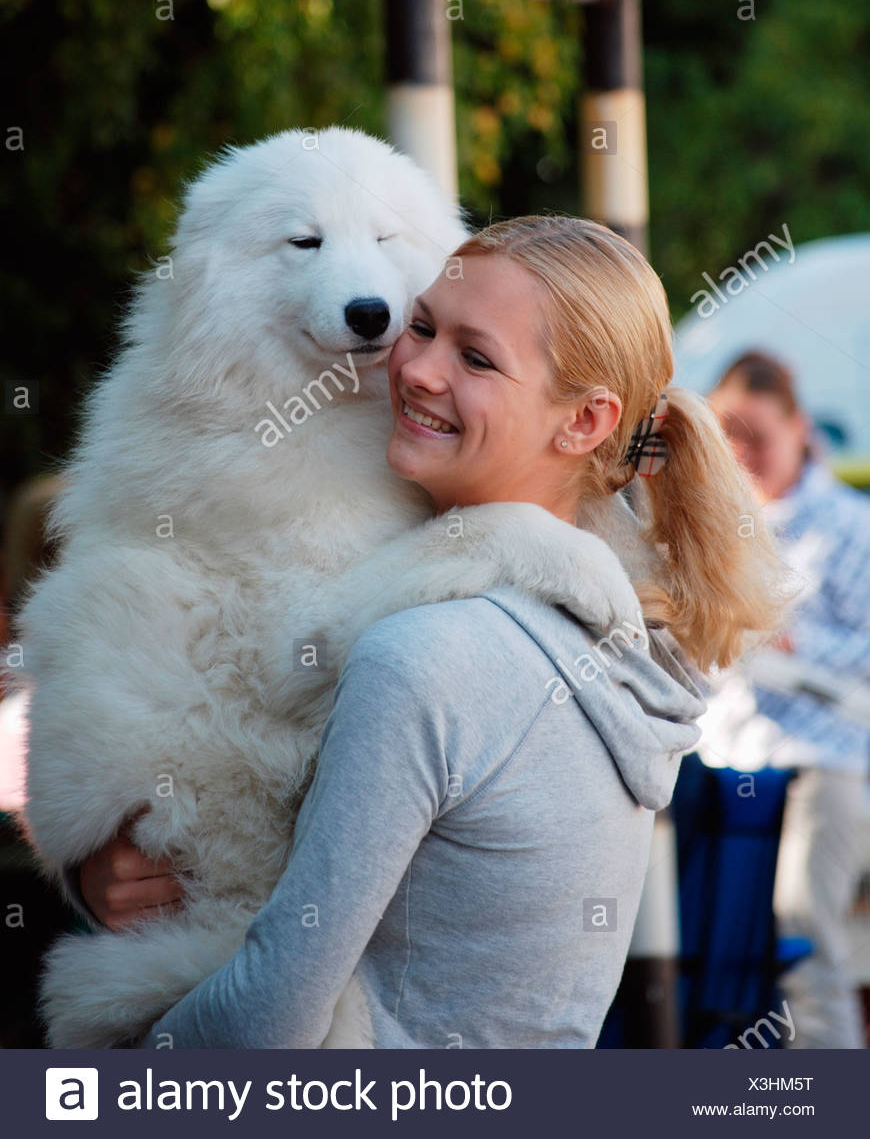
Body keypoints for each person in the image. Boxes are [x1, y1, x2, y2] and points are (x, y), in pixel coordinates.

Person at [74, 217, 784, 1049]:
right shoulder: (601, 629)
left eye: (476, 358)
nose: (415, 369)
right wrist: (126, 872)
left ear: (587, 422)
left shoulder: (429, 657)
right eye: (422, 325)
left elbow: (271, 1019)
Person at [705, 350, 870, 1049]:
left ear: (800, 428)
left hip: (823, 766)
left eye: (756, 436)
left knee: (804, 946)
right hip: (717, 769)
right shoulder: (710, 527)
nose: (741, 453)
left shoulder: (850, 525)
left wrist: (793, 644)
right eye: (727, 436)